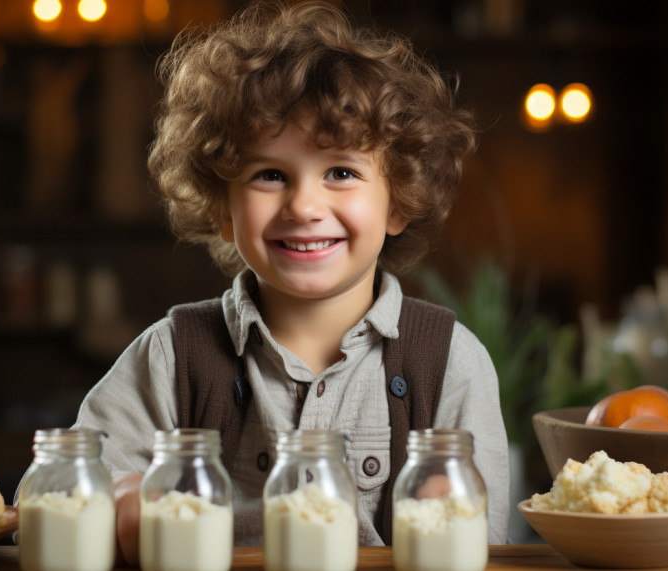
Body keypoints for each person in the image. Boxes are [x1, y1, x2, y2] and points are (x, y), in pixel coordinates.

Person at [63, 0, 510, 563]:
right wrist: (116, 495)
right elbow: (71, 484)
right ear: (221, 208)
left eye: (341, 173)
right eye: (270, 174)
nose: (304, 205)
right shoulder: (171, 358)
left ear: (400, 200)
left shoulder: (449, 365)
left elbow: (486, 548)